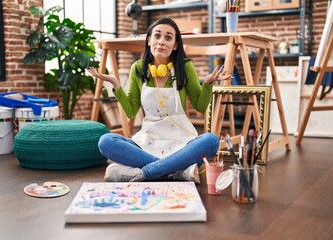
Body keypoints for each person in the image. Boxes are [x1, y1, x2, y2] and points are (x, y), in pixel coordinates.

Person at [88, 18, 232, 183]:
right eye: (157, 36)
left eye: (168, 38)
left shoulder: (185, 67)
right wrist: (115, 84)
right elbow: (131, 111)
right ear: (149, 40)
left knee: (211, 141)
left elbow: (200, 106)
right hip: (147, 141)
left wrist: (207, 83)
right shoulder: (137, 68)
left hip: (181, 143)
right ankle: (178, 172)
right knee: (106, 141)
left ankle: (146, 172)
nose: (161, 42)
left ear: (175, 45)